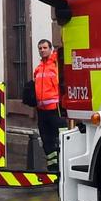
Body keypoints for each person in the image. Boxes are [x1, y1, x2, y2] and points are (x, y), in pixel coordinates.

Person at [31, 39, 63, 170]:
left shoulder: (56, 65)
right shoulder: (38, 69)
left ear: (51, 49)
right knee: (46, 140)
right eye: (40, 48)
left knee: (61, 139)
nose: (42, 50)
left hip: (56, 110)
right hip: (42, 111)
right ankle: (53, 168)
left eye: (45, 47)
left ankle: (62, 165)